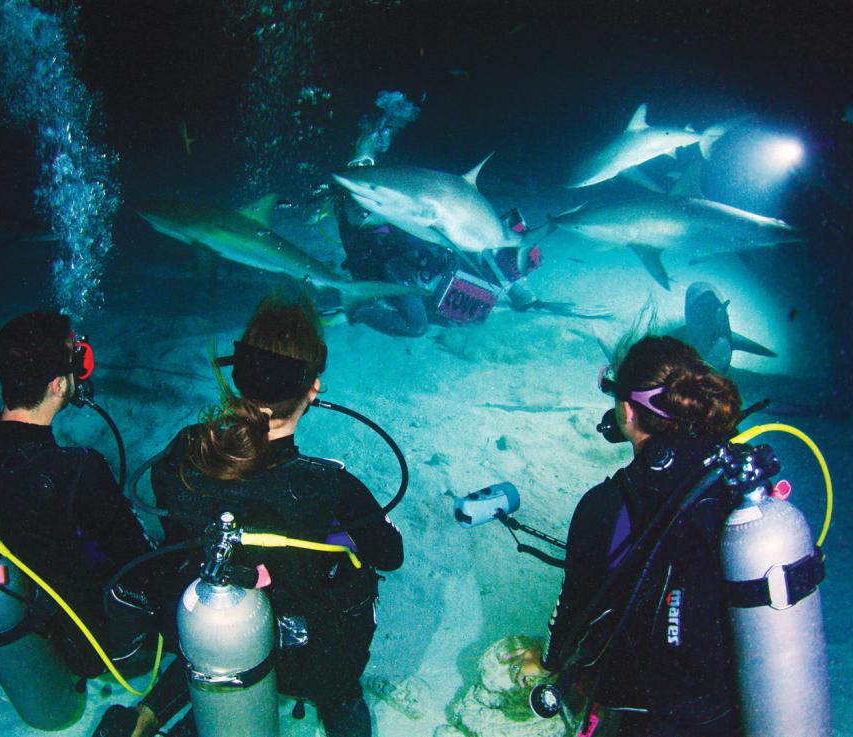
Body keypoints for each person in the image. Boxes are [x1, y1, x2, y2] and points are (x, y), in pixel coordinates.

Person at [150, 291, 404, 737]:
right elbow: (390, 555)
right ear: (313, 388)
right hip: (311, 660)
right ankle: (340, 700)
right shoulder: (331, 487)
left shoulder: (180, 455)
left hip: (215, 639)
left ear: (240, 376)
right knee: (341, 686)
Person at [0, 310, 181, 737]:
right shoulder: (77, 471)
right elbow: (140, 562)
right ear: (57, 385)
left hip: (34, 620)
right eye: (75, 359)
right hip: (94, 645)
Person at [507, 335, 744, 737]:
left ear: (629, 410)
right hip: (738, 702)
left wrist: (547, 663)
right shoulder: (732, 472)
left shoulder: (607, 504)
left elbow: (573, 609)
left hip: (656, 714)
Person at [330, 182, 600, 338]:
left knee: (456, 313)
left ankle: (518, 289)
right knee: (417, 326)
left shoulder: (403, 208)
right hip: (397, 270)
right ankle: (358, 310)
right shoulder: (373, 215)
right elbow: (392, 244)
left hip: (419, 264)